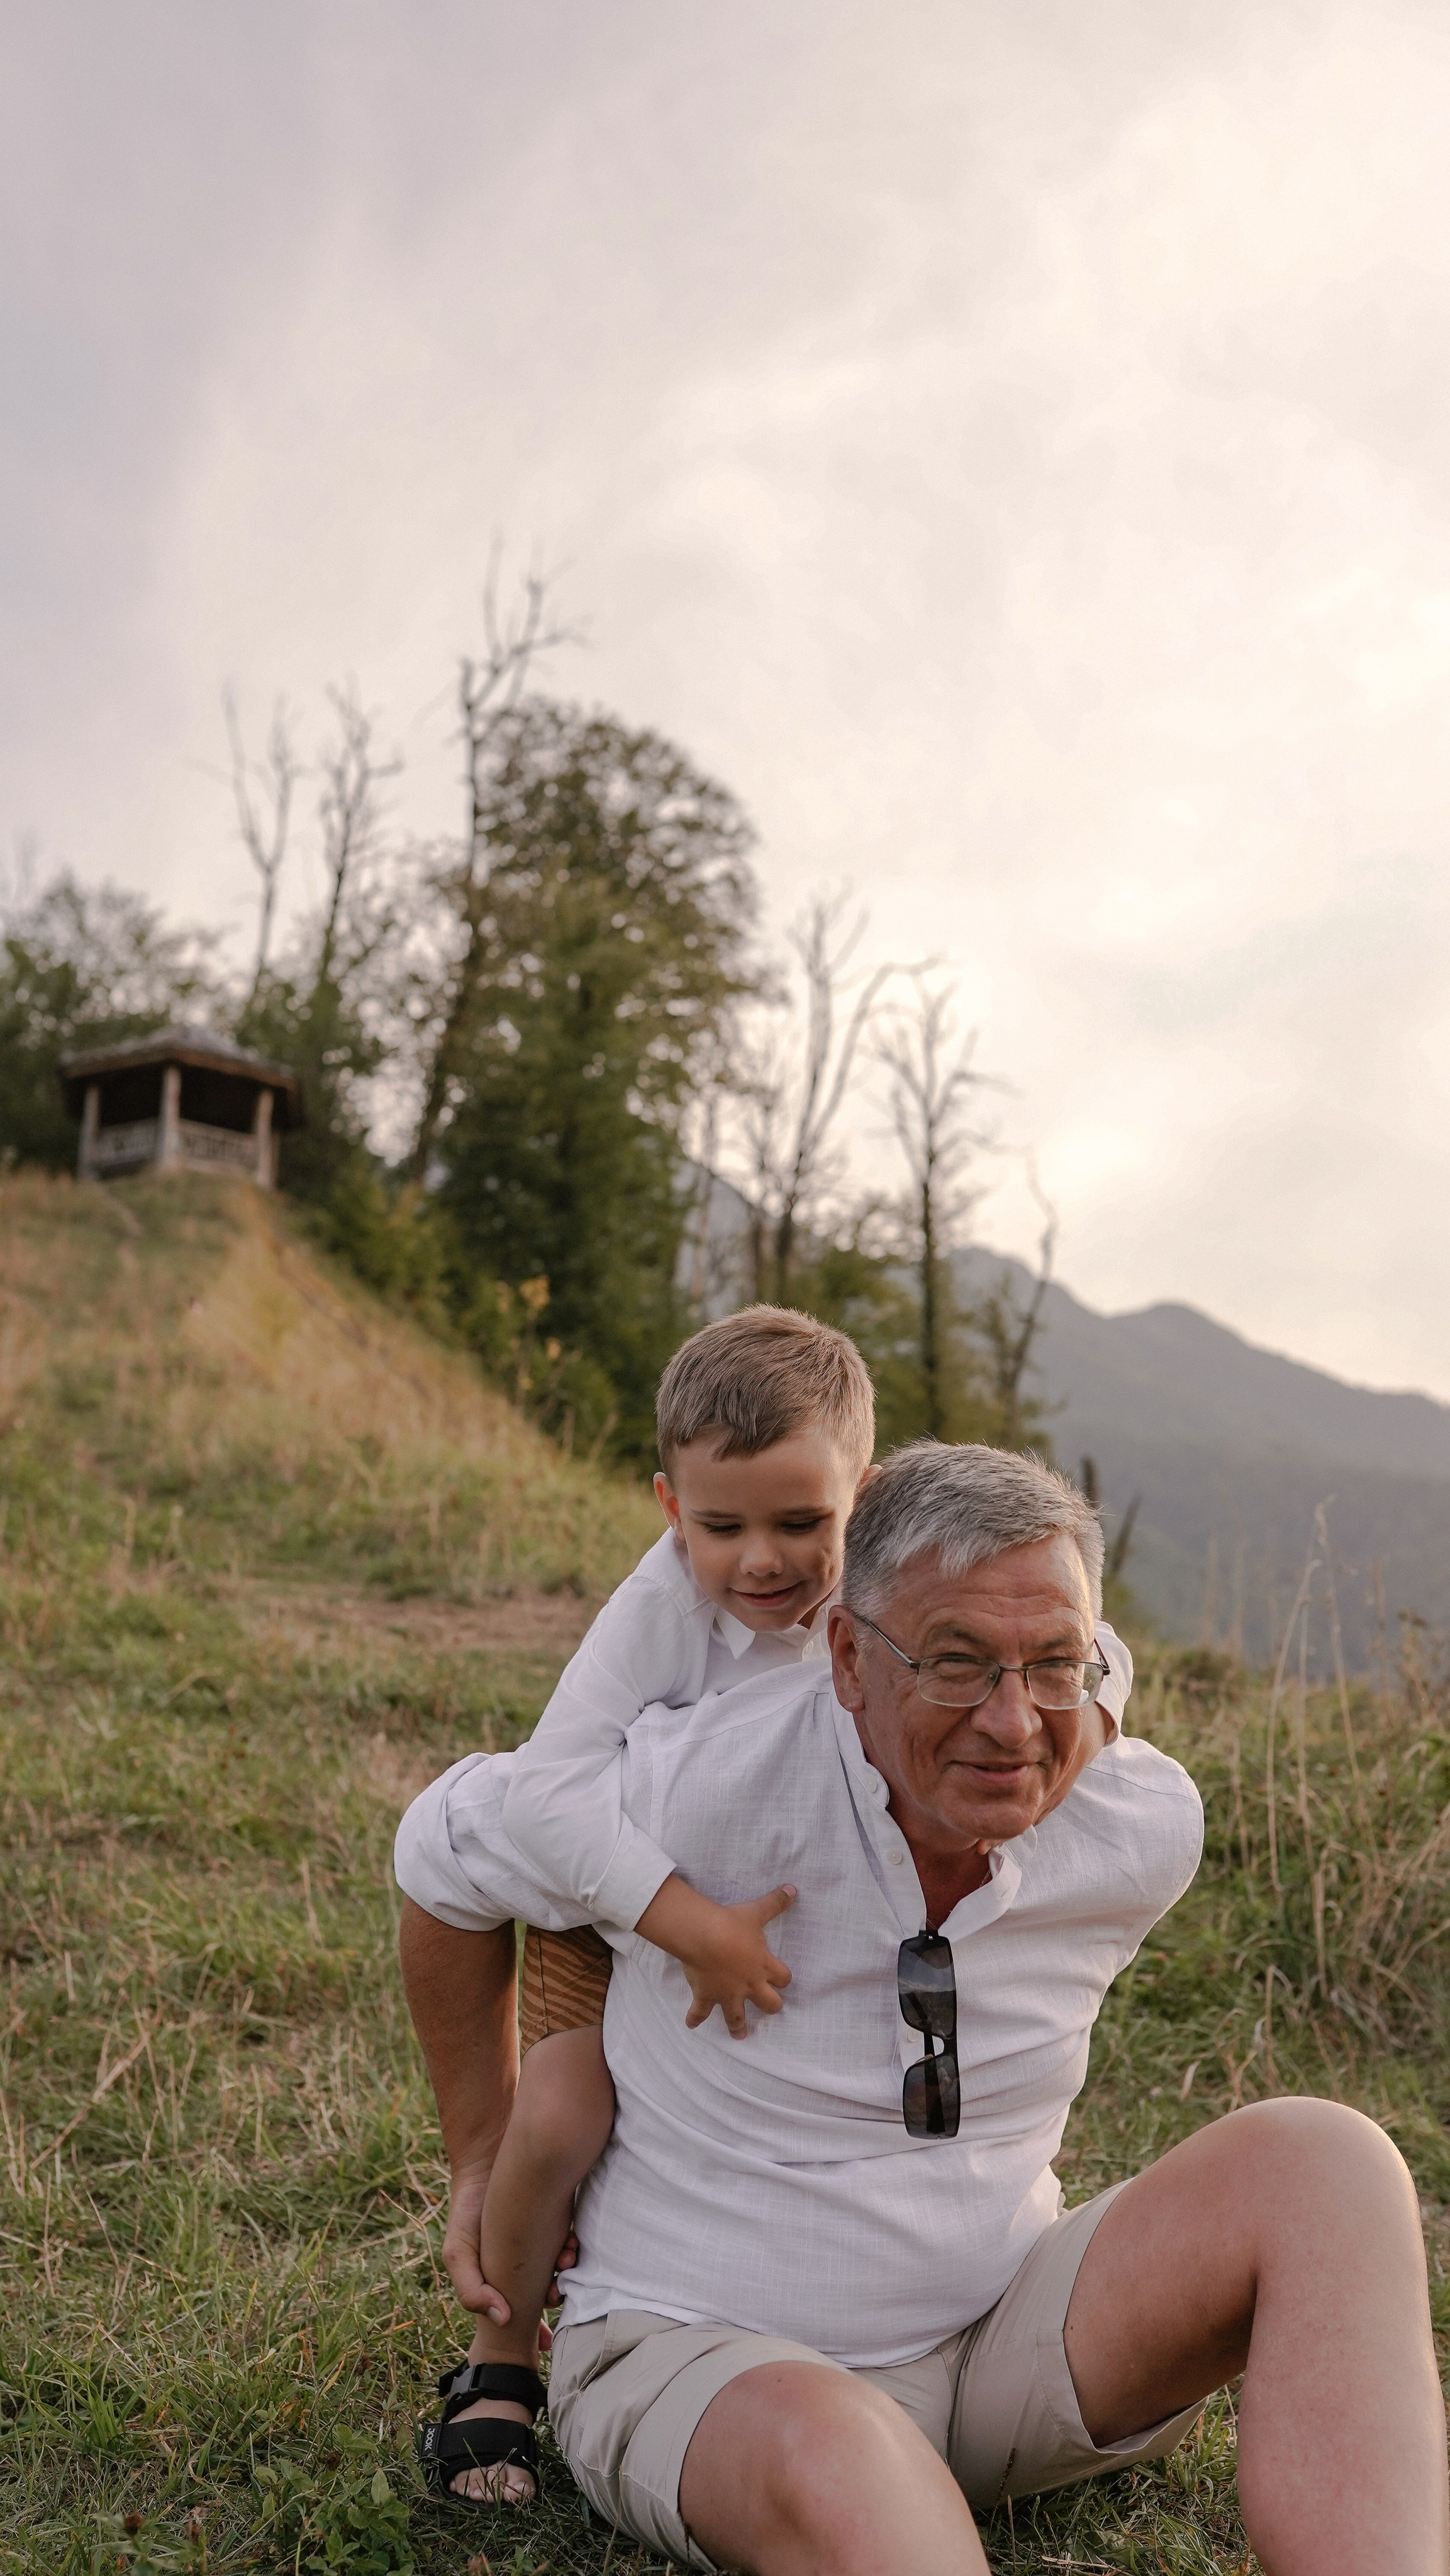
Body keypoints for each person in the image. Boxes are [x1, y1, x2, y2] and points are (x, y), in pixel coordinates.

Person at [397, 1438, 1448, 2574]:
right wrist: (480, 2155)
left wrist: (1041, 1691)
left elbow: (1057, 1710)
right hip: (702, 2353)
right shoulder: (686, 1788)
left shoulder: (1139, 1828)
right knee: (846, 2461)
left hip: (1002, 2343)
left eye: (1051, 1665)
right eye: (955, 1663)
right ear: (845, 1655)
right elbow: (441, 1852)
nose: (1011, 1724)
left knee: (1328, 2161)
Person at [404, 1329, 1135, 2509]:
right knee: (560, 2112)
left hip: (795, 1907)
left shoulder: (901, 1578)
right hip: (633, 1895)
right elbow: (543, 1792)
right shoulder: (659, 1611)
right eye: (718, 1527)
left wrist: (1083, 1734)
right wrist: (685, 1923)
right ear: (667, 1507)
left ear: (867, 1492)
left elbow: (1090, 1649)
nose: (761, 1564)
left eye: (802, 1525)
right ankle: (499, 2365)